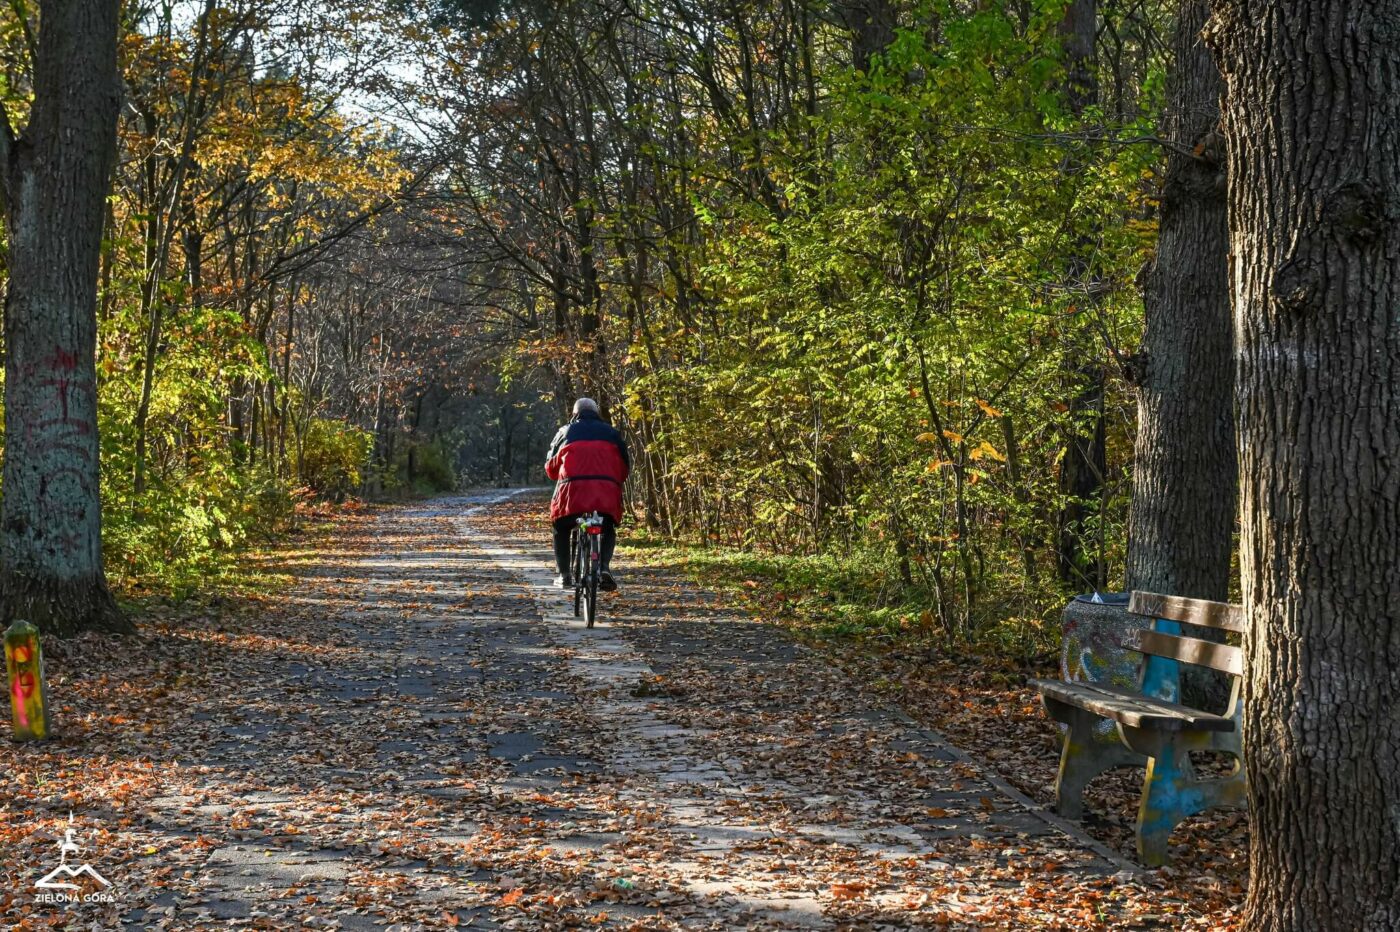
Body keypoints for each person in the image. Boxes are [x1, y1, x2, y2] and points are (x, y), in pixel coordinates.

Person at [545, 397, 630, 591]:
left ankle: (564, 575)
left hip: (572, 497)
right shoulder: (612, 433)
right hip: (606, 496)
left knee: (561, 527)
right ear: (597, 412)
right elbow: (624, 469)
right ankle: (604, 568)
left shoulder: (565, 432)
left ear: (575, 413)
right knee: (607, 526)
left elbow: (551, 469)